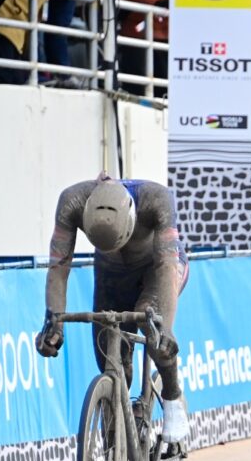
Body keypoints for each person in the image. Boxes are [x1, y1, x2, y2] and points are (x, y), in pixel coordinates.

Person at [35, 173, 190, 443]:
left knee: (149, 320)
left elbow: (166, 266)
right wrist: (54, 322)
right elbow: (59, 267)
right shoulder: (71, 202)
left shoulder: (157, 200)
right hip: (111, 273)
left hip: (158, 268)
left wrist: (166, 328)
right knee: (108, 348)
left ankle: (173, 398)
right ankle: (121, 420)